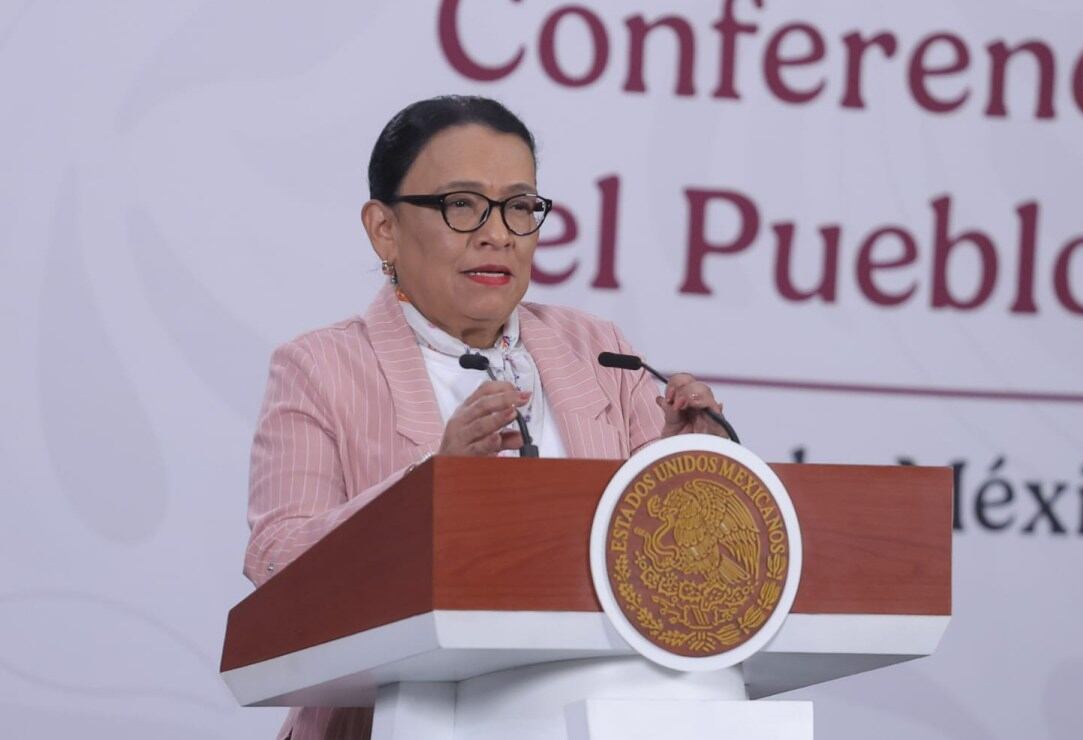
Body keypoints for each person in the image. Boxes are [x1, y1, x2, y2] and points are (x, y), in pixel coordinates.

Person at [243, 95, 728, 740]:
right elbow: (277, 563)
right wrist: (430, 486)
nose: (497, 233)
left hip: (594, 712)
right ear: (384, 228)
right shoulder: (319, 366)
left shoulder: (599, 350)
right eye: (462, 204)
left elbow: (661, 567)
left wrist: (686, 469)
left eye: (519, 207)